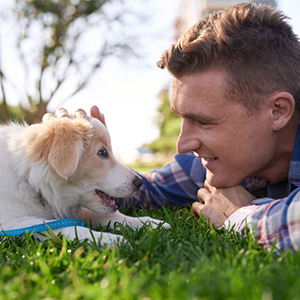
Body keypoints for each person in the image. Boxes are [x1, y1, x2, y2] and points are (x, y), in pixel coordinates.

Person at [51, 3, 300, 252]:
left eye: (203, 121)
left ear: (278, 111)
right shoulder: (213, 163)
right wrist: (91, 163)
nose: (183, 145)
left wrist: (237, 216)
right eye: (183, 119)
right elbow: (144, 192)